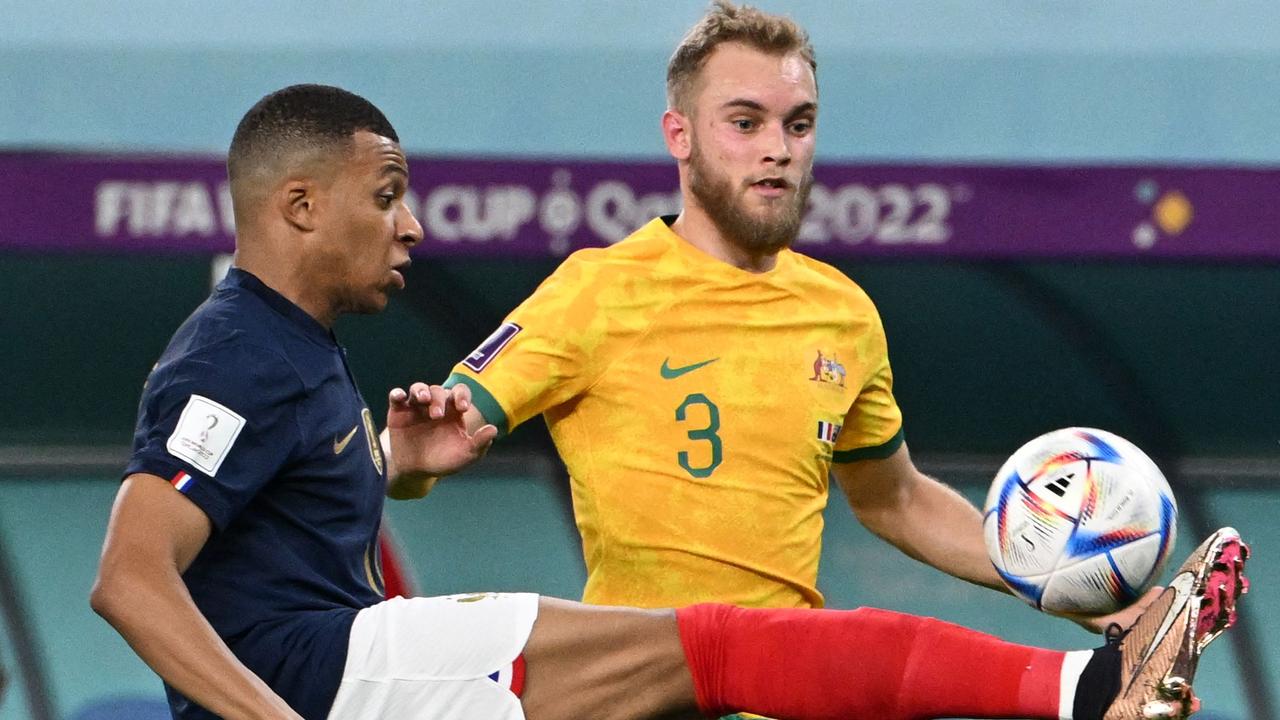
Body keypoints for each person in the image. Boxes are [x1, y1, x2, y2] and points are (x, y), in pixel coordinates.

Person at [90, 83, 1245, 720]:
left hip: (352, 677)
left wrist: (388, 458)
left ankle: (1090, 678)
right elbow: (131, 576)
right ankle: (1085, 689)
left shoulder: (293, 352)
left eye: (798, 121)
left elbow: (257, 527)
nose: (413, 225)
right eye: (387, 194)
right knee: (726, 651)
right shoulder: (236, 351)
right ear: (296, 206)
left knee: (738, 654)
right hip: (337, 677)